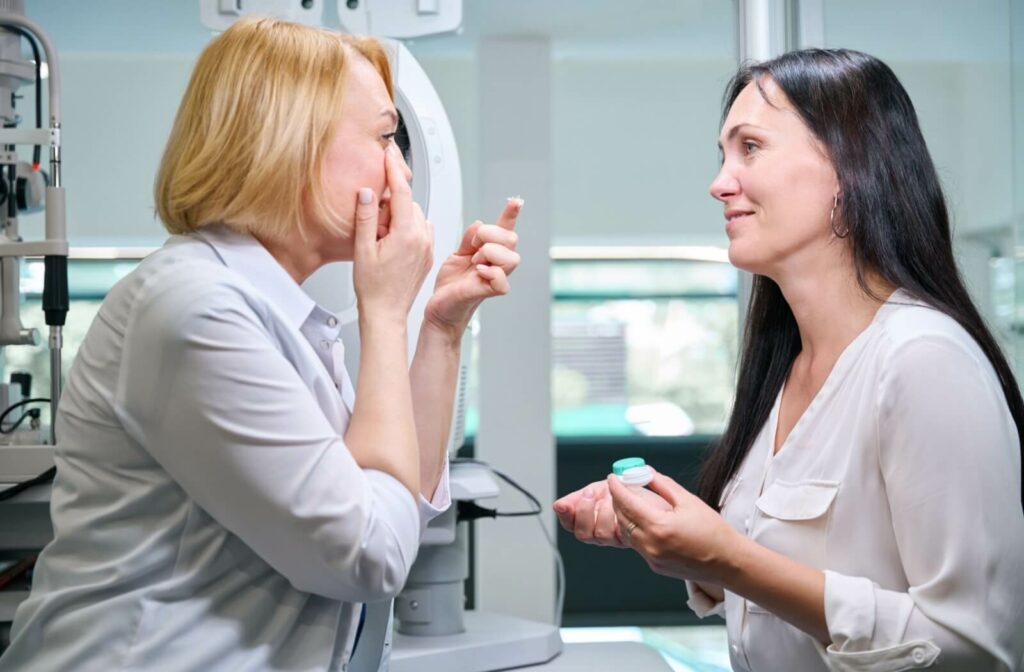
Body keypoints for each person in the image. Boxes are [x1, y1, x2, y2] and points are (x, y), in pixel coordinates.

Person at [0, 17, 521, 672]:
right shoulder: (197, 311)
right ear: (292, 145)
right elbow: (372, 554)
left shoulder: (275, 312)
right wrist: (386, 312)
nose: (404, 169)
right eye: (388, 137)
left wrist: (441, 328)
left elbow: (392, 498)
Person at [554, 48, 1024, 672]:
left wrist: (726, 558)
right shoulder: (789, 370)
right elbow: (786, 598)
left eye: (750, 148)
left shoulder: (923, 360)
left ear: (849, 168)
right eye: (723, 155)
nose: (720, 183)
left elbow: (977, 648)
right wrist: (678, 544)